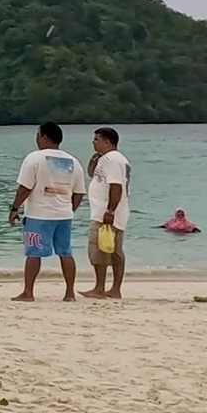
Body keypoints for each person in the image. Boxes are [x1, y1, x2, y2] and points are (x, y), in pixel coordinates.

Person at [8, 122, 85, 302]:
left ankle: (28, 292)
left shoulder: (34, 158)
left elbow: (25, 187)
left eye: (37, 135)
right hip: (64, 216)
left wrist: (15, 208)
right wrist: (69, 208)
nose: (36, 139)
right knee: (65, 253)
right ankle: (69, 293)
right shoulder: (73, 161)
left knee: (33, 253)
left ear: (44, 137)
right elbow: (79, 192)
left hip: (39, 215)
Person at [82, 127, 132, 300]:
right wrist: (93, 161)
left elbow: (116, 186)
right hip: (111, 211)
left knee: (100, 249)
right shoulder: (111, 159)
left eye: (96, 139)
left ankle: (100, 287)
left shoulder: (112, 159)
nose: (93, 142)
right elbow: (94, 175)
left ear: (107, 142)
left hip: (106, 211)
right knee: (112, 249)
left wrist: (110, 210)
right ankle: (113, 289)